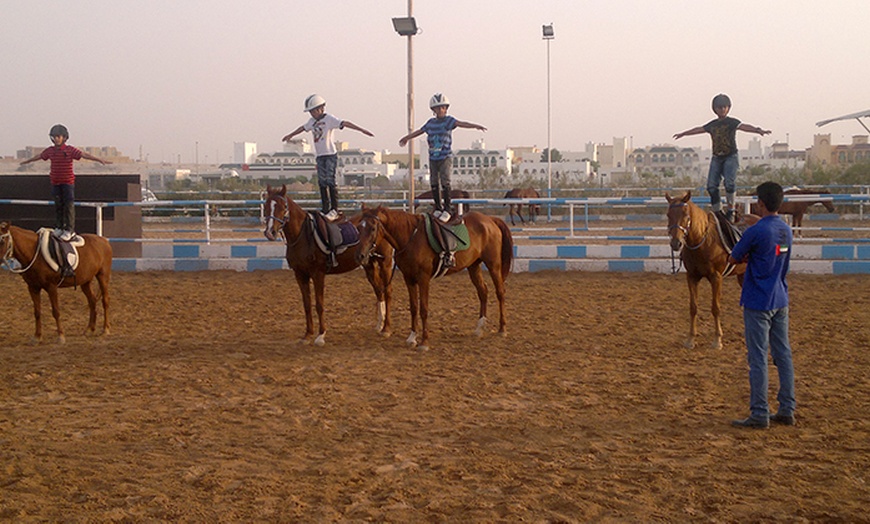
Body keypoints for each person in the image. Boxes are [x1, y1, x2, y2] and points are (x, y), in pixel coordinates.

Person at [728, 181, 795, 429]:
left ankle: (759, 413)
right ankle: (787, 408)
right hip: (780, 296)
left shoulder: (754, 232)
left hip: (758, 300)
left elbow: (733, 257)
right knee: (783, 355)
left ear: (761, 203)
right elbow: (777, 250)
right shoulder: (785, 230)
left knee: (758, 358)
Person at [673, 94, 770, 220]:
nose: (722, 109)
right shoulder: (712, 125)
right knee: (711, 186)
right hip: (717, 157)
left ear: (728, 108)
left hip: (730, 156)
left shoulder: (732, 122)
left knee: (729, 183)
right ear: (715, 109)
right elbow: (699, 129)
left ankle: (731, 209)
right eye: (719, 107)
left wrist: (758, 130)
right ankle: (717, 211)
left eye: (725, 107)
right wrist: (684, 134)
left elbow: (744, 127)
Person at [282, 94, 374, 221]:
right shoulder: (312, 122)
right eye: (310, 112)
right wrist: (290, 135)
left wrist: (362, 130)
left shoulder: (329, 119)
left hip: (330, 154)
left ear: (321, 109)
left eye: (313, 111)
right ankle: (325, 209)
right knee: (322, 182)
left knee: (330, 181)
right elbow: (303, 128)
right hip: (320, 156)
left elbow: (344, 123)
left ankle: (334, 209)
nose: (312, 114)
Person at [398, 93, 486, 223]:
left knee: (445, 181)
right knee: (434, 182)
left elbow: (462, 123)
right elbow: (419, 131)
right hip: (433, 157)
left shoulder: (449, 121)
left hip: (445, 156)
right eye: (438, 108)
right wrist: (407, 137)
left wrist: (475, 126)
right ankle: (438, 207)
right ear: (433, 110)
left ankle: (447, 209)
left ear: (446, 108)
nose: (440, 110)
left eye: (443, 108)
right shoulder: (430, 123)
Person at [20, 124, 111, 241]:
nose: (57, 139)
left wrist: (99, 160)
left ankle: (69, 229)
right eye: (54, 137)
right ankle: (59, 227)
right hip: (55, 182)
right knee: (58, 205)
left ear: (64, 137)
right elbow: (39, 156)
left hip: (67, 182)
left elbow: (84, 154)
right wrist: (27, 161)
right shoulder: (50, 151)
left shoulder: (69, 150)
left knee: (68, 205)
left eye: (59, 136)